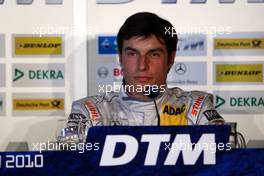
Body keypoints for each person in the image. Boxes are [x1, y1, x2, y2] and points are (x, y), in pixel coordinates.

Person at [58, 12, 224, 143]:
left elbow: (228, 154)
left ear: (171, 59)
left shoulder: (196, 107)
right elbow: (67, 160)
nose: (142, 65)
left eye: (154, 54)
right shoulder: (90, 111)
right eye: (132, 53)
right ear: (120, 58)